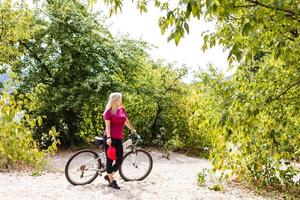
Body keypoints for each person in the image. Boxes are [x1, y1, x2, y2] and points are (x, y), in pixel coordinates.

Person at [103, 92, 135, 189]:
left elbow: (125, 120)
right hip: (110, 139)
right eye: (120, 98)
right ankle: (111, 181)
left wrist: (132, 129)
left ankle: (109, 175)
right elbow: (108, 126)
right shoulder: (108, 112)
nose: (121, 100)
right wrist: (108, 137)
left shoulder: (122, 109)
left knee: (119, 159)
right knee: (110, 159)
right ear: (115, 100)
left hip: (119, 138)